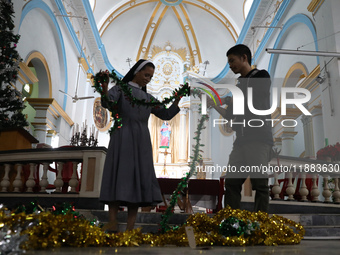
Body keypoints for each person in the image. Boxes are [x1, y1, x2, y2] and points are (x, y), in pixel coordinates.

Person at [99, 59, 181, 232]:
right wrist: (105, 88)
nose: (148, 79)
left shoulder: (148, 98)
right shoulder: (120, 89)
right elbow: (108, 103)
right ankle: (112, 222)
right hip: (122, 135)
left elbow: (166, 115)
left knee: (136, 181)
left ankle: (130, 227)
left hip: (142, 141)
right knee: (117, 176)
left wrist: (177, 100)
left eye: (150, 77)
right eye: (146, 75)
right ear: (136, 72)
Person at [208, 44, 273, 212]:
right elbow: (230, 116)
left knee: (260, 184)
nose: (230, 65)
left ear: (244, 57)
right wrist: (215, 105)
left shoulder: (261, 76)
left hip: (258, 138)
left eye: (232, 60)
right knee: (231, 183)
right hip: (241, 141)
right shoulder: (238, 87)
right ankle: (232, 223)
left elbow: (256, 102)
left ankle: (261, 224)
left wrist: (233, 100)